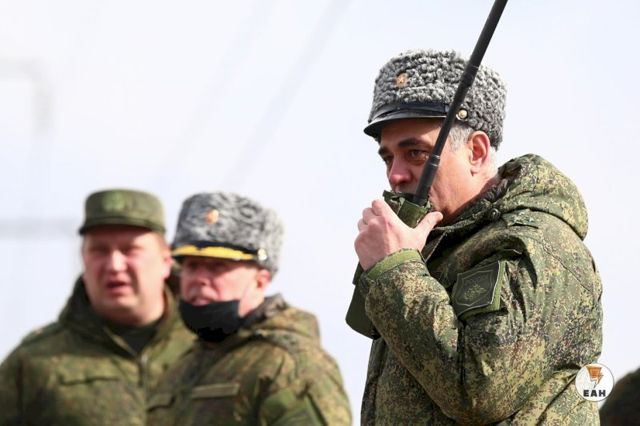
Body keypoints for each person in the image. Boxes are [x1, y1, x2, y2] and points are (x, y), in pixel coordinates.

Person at [351, 50, 603, 424]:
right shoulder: (430, 252)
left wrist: (395, 272)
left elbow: (479, 392)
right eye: (388, 158)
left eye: (415, 153)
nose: (395, 175)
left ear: (476, 151)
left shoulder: (536, 245)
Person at [148, 191, 351, 425]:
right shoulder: (180, 368)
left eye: (217, 266)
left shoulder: (288, 365)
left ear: (260, 281)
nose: (200, 279)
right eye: (192, 266)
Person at [0, 188, 193, 425]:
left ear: (165, 261)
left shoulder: (207, 347)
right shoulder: (35, 361)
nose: (114, 265)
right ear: (83, 259)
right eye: (99, 251)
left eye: (130, 250)